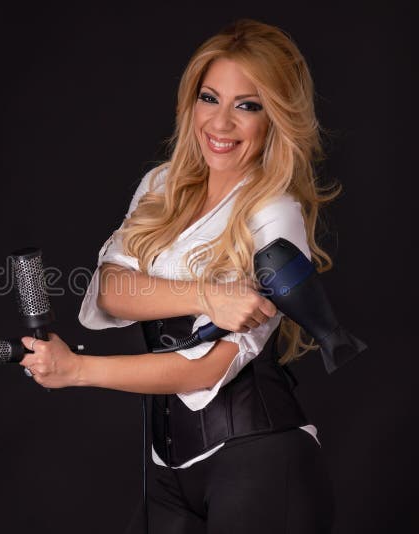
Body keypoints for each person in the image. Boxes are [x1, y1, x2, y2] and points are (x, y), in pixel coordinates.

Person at [19, 19, 341, 533]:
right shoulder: (162, 185)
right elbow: (111, 291)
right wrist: (208, 297)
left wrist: (77, 371)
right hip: (168, 477)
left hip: (261, 464)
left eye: (247, 105)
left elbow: (206, 370)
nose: (221, 123)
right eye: (210, 98)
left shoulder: (275, 214)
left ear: (275, 117)